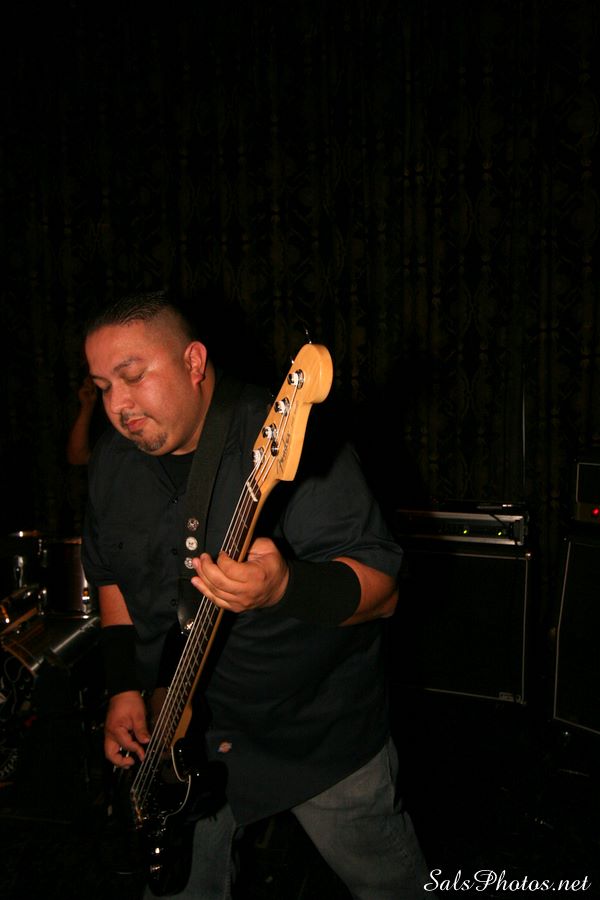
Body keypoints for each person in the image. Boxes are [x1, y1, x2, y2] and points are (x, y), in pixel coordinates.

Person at [81, 292, 432, 899]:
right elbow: (109, 575)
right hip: (179, 734)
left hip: (311, 732)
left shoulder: (285, 439)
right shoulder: (113, 462)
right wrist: (122, 689)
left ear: (194, 361)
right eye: (103, 386)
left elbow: (384, 592)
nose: (118, 405)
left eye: (133, 377)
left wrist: (284, 587)